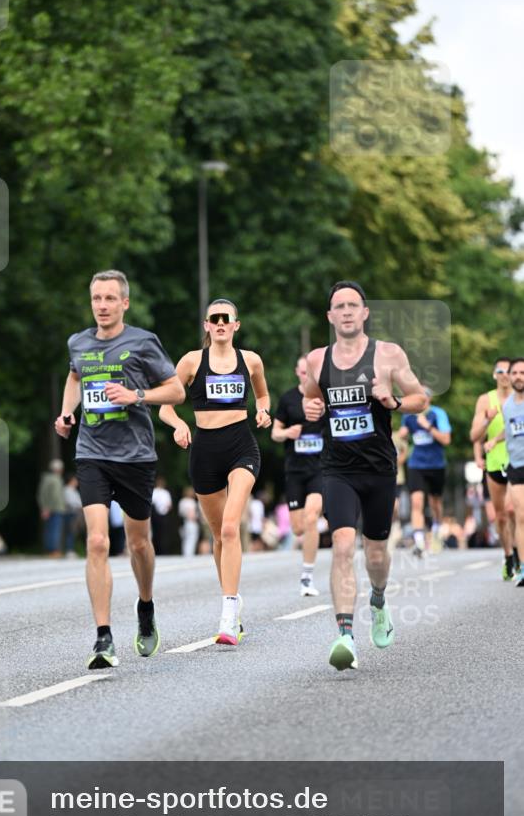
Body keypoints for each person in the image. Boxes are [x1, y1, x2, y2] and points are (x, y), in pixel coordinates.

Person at [55, 269, 184, 669]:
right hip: (92, 453)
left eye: (110, 299)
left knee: (139, 543)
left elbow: (177, 390)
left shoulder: (143, 342)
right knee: (97, 542)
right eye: (97, 299)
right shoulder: (78, 342)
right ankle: (103, 637)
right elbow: (75, 378)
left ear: (124, 303)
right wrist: (66, 412)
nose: (103, 306)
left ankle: (145, 605)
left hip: (136, 457)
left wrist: (137, 395)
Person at [304, 281, 427, 671]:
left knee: (375, 552)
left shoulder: (388, 355)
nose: (346, 312)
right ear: (330, 316)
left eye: (352, 305)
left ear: (365, 312)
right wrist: (311, 408)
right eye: (338, 306)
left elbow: (420, 398)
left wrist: (392, 401)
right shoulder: (316, 360)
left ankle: (377, 599)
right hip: (337, 469)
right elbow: (311, 395)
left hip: (379, 468)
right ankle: (344, 635)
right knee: (342, 545)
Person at [159, 298, 271, 645]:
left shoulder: (250, 360)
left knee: (230, 526)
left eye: (227, 319)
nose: (221, 323)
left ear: (236, 325)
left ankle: (228, 613)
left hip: (241, 447)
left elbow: (263, 397)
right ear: (206, 325)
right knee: (218, 536)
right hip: (205, 451)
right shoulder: (192, 362)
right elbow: (165, 406)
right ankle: (232, 597)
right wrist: (178, 425)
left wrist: (265, 413)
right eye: (214, 319)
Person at [272, 355, 326, 595]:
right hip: (294, 470)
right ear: (297, 372)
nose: (307, 376)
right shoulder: (288, 399)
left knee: (311, 518)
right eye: (303, 372)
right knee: (297, 528)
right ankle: (316, 526)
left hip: (320, 469)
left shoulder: (324, 398)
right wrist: (287, 433)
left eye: (310, 373)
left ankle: (307, 577)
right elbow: (274, 433)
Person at [470, 356, 518, 580]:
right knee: (500, 516)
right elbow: (475, 436)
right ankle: (508, 555)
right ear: (494, 375)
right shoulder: (485, 400)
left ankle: (519, 553)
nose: (505, 375)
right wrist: (487, 421)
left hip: (517, 460)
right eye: (500, 371)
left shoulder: (520, 399)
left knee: (513, 510)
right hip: (494, 463)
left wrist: (496, 439)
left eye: (508, 371)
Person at [485, 357, 524, 586]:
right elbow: (508, 430)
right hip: (517, 465)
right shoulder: (507, 404)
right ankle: (522, 567)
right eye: (515, 373)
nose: (518, 376)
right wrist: (494, 441)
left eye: (522, 372)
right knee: (519, 515)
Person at [400, 388, 452, 557]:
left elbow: (446, 439)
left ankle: (436, 532)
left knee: (435, 502)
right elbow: (403, 438)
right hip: (416, 464)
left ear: (428, 399)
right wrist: (402, 436)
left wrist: (428, 427)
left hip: (436, 465)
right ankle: (419, 542)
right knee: (417, 502)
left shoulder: (438, 414)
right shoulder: (408, 417)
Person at [37, 459, 65, 557]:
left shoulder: (49, 479)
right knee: (54, 530)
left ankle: (50, 550)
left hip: (54, 508)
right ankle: (53, 550)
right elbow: (47, 495)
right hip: (55, 509)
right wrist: (46, 508)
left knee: (50, 529)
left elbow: (43, 495)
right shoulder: (53, 480)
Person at [63, 474, 83, 558]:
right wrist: (80, 506)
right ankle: (69, 550)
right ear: (71, 481)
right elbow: (70, 502)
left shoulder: (73, 490)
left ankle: (71, 549)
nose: (76, 482)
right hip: (70, 513)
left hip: (75, 513)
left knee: (73, 532)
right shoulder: (67, 490)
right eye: (75, 480)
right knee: (70, 532)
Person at [178, 486, 200, 557]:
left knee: (185, 539)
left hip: (185, 522)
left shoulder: (182, 501)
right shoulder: (191, 502)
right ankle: (189, 554)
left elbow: (180, 512)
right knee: (192, 538)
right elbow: (192, 514)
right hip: (191, 522)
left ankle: (185, 553)